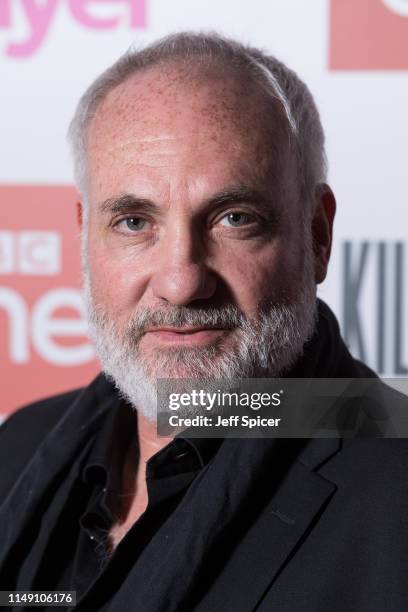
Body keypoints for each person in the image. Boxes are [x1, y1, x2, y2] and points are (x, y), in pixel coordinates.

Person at [0, 32, 407, 612]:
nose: (181, 281)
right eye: (134, 222)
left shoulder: (397, 491)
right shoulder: (21, 446)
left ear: (317, 235)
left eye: (233, 218)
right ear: (84, 236)